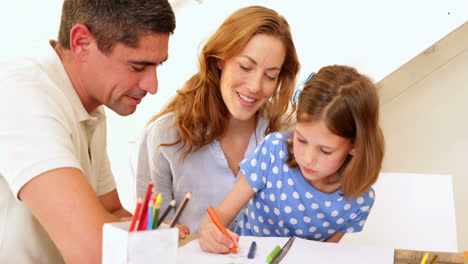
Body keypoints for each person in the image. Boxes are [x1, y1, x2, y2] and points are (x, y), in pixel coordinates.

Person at [0, 0, 175, 263]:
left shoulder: (91, 104)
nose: (152, 85)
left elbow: (112, 212)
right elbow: (94, 251)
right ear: (82, 42)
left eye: (157, 66)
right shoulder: (21, 93)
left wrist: (158, 234)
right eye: (138, 67)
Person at [133, 5, 300, 236]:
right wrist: (164, 233)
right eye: (245, 67)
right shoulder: (165, 136)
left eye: (270, 75)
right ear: (220, 60)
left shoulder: (290, 136)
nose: (255, 86)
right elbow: (149, 235)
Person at [198, 65, 385, 254]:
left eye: (325, 151)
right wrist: (209, 231)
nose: (308, 159)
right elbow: (220, 215)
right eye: (301, 139)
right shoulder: (273, 152)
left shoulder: (359, 202)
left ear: (355, 146)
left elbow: (321, 255)